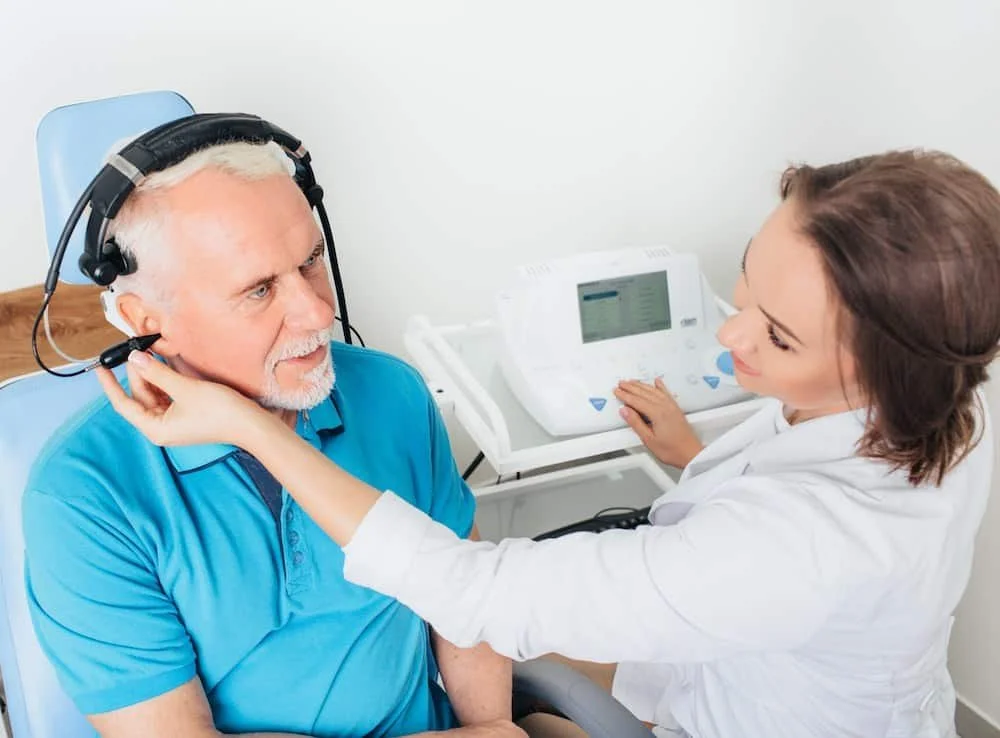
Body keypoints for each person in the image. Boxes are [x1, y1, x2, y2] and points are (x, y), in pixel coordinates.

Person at [99, 149, 1000, 738]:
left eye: (778, 335)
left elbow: (470, 587)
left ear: (886, 374)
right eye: (747, 285)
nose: (731, 338)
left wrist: (254, 433)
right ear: (140, 317)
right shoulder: (955, 397)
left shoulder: (388, 395)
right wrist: (697, 459)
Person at [23, 141, 522, 738]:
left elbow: (465, 601)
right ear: (148, 321)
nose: (317, 313)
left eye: (311, 261)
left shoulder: (393, 395)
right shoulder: (83, 493)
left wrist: (494, 725)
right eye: (259, 289)